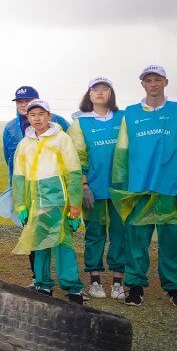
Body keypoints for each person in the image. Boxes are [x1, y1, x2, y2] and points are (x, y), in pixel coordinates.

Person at [111, 65, 177, 307]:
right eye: (149, 80)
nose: (153, 84)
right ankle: (135, 287)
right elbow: (122, 152)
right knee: (136, 240)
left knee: (171, 240)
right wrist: (122, 186)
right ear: (143, 84)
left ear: (165, 82)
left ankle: (174, 288)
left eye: (157, 79)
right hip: (139, 188)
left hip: (169, 187)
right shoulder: (131, 114)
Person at [12, 100, 85, 304]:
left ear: (49, 115)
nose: (37, 118)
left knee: (64, 245)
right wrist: (21, 205)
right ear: (27, 118)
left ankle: (72, 288)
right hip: (35, 202)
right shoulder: (24, 144)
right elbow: (18, 177)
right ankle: (43, 284)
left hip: (59, 203)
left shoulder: (62, 139)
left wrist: (75, 206)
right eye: (32, 114)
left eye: (41, 113)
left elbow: (73, 172)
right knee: (40, 244)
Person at [69, 77, 126, 300]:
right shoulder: (80, 123)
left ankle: (118, 283)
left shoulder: (123, 119)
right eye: (95, 89)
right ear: (89, 95)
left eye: (105, 89)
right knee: (95, 234)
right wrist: (83, 185)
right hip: (93, 188)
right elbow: (77, 157)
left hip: (121, 190)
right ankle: (94, 280)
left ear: (111, 94)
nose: (100, 93)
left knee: (120, 233)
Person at [4, 85, 70, 177]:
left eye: (27, 101)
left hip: (54, 181)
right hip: (21, 178)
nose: (23, 105)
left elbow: (71, 151)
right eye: (19, 102)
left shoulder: (57, 121)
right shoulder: (10, 127)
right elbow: (9, 157)